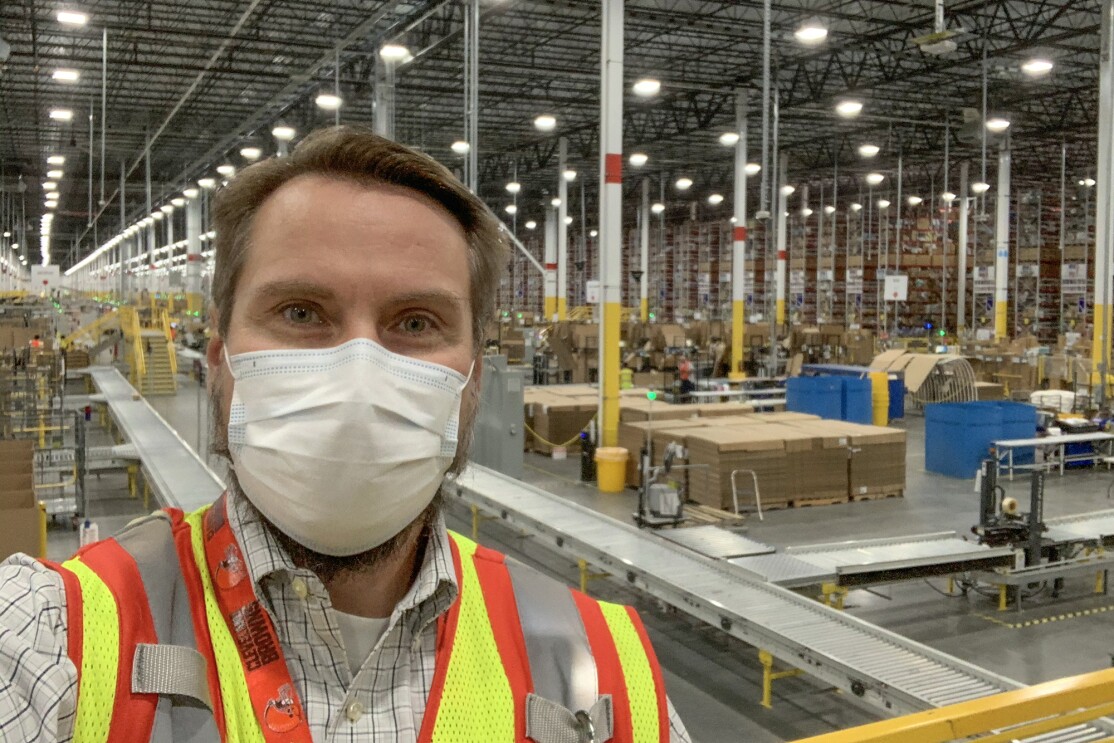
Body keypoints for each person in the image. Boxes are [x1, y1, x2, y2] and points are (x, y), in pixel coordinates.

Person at [0, 126, 689, 742]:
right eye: (301, 311)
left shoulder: (609, 677)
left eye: (416, 322)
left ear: (473, 382)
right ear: (219, 363)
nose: (360, 369)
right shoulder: (53, 637)